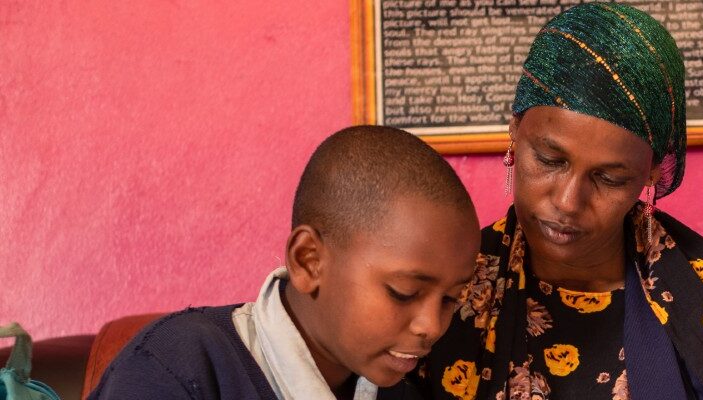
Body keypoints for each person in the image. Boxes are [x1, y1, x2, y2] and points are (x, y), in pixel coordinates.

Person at [411, 3, 703, 399]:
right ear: (515, 130)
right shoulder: (448, 294)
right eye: (550, 160)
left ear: (653, 170)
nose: (568, 202)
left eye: (609, 178)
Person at [90, 126, 481, 399]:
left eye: (451, 299)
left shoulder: (398, 391)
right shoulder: (177, 368)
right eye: (404, 292)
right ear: (308, 261)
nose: (431, 326)